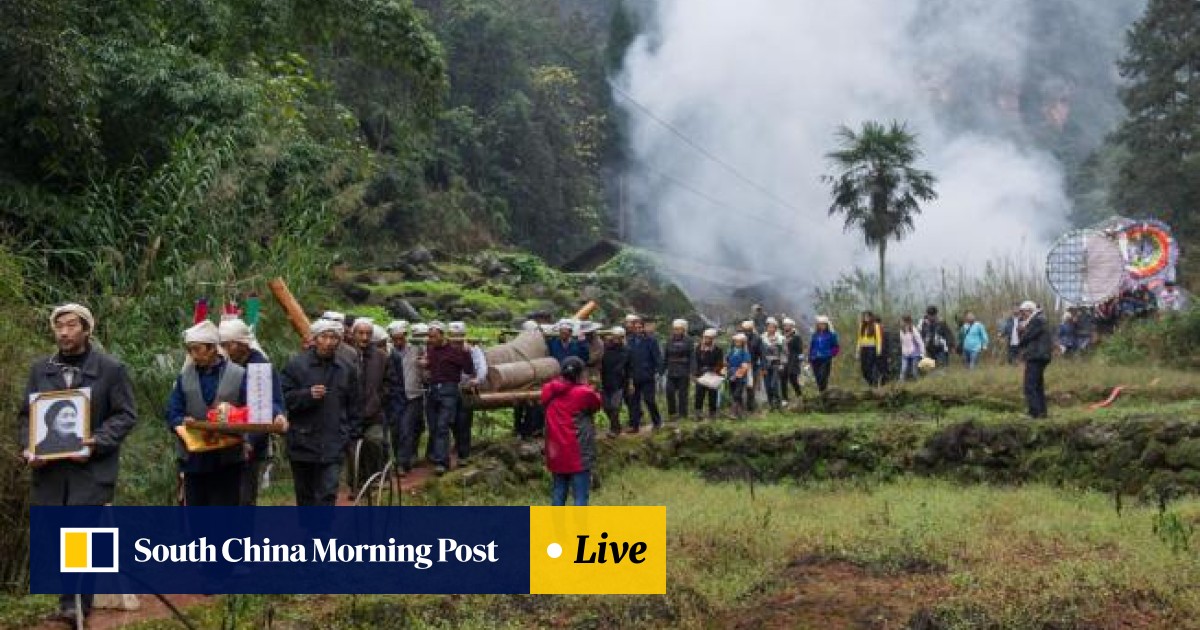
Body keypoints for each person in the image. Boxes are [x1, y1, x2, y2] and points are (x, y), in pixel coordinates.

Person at [19, 304, 137, 624]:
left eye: (71, 326)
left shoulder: (111, 369)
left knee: (83, 535)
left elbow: (125, 415)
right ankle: (68, 601)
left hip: (92, 469)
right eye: (59, 327)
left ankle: (80, 605)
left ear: (86, 329)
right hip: (52, 471)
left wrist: (97, 441)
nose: (64, 332)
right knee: (58, 534)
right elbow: (26, 418)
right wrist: (29, 448)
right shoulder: (40, 369)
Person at [166, 320, 248, 506]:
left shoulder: (239, 374)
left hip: (227, 459)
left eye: (197, 349)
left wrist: (233, 416)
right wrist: (182, 422)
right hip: (195, 460)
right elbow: (173, 411)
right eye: (190, 350)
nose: (193, 355)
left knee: (225, 519)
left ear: (212, 349)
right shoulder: (184, 377)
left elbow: (250, 411)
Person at [282, 320, 360, 505]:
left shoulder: (347, 368)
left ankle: (322, 532)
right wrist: (307, 395)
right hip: (302, 441)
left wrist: (350, 434)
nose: (329, 342)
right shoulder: (297, 365)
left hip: (334, 440)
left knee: (327, 493)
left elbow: (354, 404)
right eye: (324, 336)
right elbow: (283, 398)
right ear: (315, 339)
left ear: (339, 341)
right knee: (306, 495)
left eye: (334, 337)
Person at [218, 318, 287, 506]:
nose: (225, 349)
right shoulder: (224, 364)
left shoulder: (259, 367)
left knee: (243, 499)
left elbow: (264, 407)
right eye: (222, 345)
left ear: (242, 344)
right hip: (223, 442)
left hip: (249, 444)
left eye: (228, 345)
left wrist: (249, 440)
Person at [542, 357, 602, 506]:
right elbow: (596, 404)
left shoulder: (549, 391)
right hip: (578, 452)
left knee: (558, 491)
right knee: (580, 496)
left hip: (556, 452)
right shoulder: (584, 393)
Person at [346, 318, 396, 493]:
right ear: (353, 335)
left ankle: (374, 478)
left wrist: (379, 399)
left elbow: (390, 383)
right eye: (361, 333)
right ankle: (355, 486)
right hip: (350, 413)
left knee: (374, 442)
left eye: (368, 334)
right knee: (352, 450)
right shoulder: (345, 355)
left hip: (374, 412)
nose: (365, 337)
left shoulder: (381, 357)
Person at [420, 321, 474, 473]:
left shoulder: (456, 351)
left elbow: (469, 369)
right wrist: (425, 364)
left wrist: (467, 353)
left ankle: (442, 463)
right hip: (433, 391)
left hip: (449, 392)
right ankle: (440, 457)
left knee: (443, 426)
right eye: (429, 337)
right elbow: (431, 368)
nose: (431, 339)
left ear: (442, 336)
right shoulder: (431, 351)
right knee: (434, 427)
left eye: (434, 336)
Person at [386, 320, 424, 474]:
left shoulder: (417, 349)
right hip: (394, 397)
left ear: (406, 336)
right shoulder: (388, 352)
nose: (398, 342)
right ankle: (400, 459)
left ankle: (402, 462)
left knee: (406, 429)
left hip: (412, 395)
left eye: (401, 338)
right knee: (395, 431)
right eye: (395, 339)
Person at [451, 321, 486, 464]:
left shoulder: (473, 350)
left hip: (466, 390)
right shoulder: (447, 349)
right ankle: (459, 445)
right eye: (454, 336)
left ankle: (464, 455)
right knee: (452, 421)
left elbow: (481, 367)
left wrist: (477, 380)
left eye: (459, 336)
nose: (456, 339)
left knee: (464, 422)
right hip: (450, 389)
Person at [625, 315, 662, 433]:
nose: (638, 330)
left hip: (647, 376)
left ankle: (657, 422)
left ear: (643, 328)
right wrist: (629, 377)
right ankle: (635, 426)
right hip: (634, 376)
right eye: (636, 328)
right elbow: (627, 360)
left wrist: (657, 372)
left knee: (649, 400)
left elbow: (657, 358)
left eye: (640, 327)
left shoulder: (651, 341)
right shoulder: (629, 341)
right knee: (634, 402)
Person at [1017, 301, 1052, 419]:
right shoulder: (1040, 319)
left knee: (1030, 385)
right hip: (1041, 356)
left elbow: (1025, 339)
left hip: (1036, 356)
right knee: (1038, 385)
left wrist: (1021, 330)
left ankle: (1034, 413)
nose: (1022, 315)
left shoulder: (1036, 320)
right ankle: (1042, 412)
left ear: (1029, 310)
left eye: (1023, 312)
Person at [599, 326, 631, 437]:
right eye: (615, 337)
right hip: (606, 381)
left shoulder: (626, 350)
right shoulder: (606, 349)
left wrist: (629, 382)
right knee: (606, 407)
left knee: (615, 406)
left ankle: (614, 430)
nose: (616, 339)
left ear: (622, 338)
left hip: (619, 383)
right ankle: (616, 426)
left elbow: (628, 367)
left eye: (619, 337)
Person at [662, 319, 695, 421]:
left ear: (683, 329)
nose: (676, 331)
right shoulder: (669, 340)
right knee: (669, 392)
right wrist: (662, 369)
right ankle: (672, 414)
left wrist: (692, 372)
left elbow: (692, 357)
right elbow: (666, 356)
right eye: (674, 329)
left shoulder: (689, 341)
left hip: (683, 371)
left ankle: (683, 415)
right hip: (671, 370)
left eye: (678, 329)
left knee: (683, 394)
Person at [693, 328, 724, 419]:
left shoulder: (718, 350)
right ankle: (698, 413)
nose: (707, 340)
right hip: (701, 375)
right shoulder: (698, 348)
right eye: (706, 338)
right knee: (699, 395)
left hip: (712, 375)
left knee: (712, 395)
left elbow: (720, 364)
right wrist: (696, 373)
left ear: (713, 339)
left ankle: (712, 414)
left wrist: (711, 370)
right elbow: (695, 362)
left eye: (710, 338)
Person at [808, 316, 840, 394]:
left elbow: (836, 347)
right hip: (815, 359)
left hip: (826, 359)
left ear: (827, 325)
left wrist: (831, 354)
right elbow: (812, 346)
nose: (821, 326)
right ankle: (822, 393)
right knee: (818, 378)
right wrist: (810, 356)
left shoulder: (831, 334)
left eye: (823, 324)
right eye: (820, 324)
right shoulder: (815, 335)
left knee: (823, 376)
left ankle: (824, 393)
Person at [724, 333, 752, 419]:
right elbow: (726, 362)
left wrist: (736, 375)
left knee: (737, 394)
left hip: (740, 376)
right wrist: (726, 368)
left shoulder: (745, 353)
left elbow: (744, 366)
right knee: (733, 394)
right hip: (731, 374)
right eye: (736, 341)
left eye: (739, 342)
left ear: (743, 343)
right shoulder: (730, 351)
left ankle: (733, 413)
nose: (737, 343)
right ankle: (741, 413)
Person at [760, 317, 785, 411]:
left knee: (773, 384)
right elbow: (760, 352)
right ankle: (771, 404)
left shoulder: (781, 338)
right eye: (769, 327)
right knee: (767, 385)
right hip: (765, 364)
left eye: (772, 327)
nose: (770, 329)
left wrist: (782, 363)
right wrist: (761, 365)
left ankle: (778, 404)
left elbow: (784, 352)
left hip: (776, 364)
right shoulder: (762, 338)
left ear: (776, 328)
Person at [740, 321, 765, 413]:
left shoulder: (757, 338)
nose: (747, 332)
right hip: (740, 365)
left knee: (751, 387)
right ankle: (740, 408)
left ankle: (750, 409)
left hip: (752, 365)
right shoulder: (738, 338)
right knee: (740, 387)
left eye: (749, 330)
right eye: (745, 330)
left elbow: (762, 353)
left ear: (752, 329)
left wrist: (763, 367)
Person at [856, 312, 883, 387]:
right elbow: (859, 339)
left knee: (869, 366)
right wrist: (857, 350)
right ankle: (870, 382)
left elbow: (879, 339)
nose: (866, 318)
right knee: (863, 369)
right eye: (865, 316)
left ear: (871, 317)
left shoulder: (876, 326)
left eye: (868, 316)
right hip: (863, 348)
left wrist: (878, 350)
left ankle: (874, 383)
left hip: (872, 348)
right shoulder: (862, 326)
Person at [781, 318, 804, 407]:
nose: (786, 327)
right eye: (785, 325)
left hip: (793, 360)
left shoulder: (796, 336)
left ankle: (799, 395)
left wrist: (800, 361)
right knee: (783, 379)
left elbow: (800, 350)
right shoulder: (782, 336)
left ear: (792, 326)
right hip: (783, 360)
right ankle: (784, 398)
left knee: (793, 379)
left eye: (787, 325)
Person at [898, 315, 925, 382]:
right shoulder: (901, 331)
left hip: (915, 353)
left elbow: (920, 341)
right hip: (905, 353)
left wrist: (923, 353)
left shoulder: (914, 330)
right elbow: (902, 343)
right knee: (903, 369)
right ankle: (900, 383)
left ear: (906, 322)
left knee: (914, 371)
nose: (900, 323)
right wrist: (903, 351)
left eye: (902, 321)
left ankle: (920, 382)